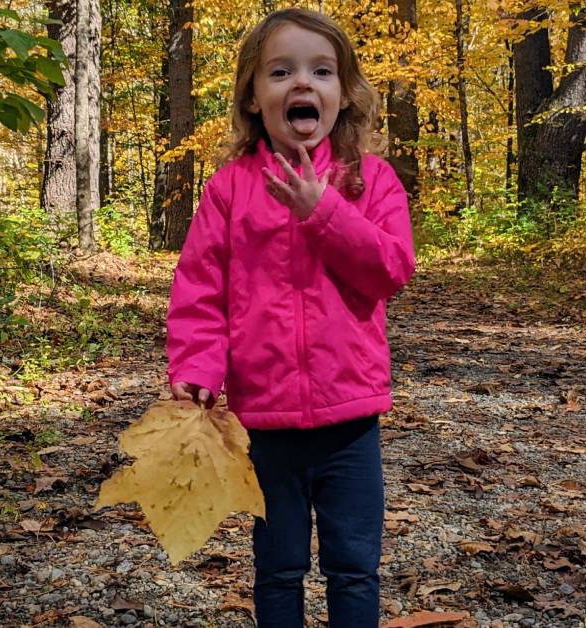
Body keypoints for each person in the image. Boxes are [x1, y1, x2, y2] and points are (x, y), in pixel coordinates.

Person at [165, 7, 415, 627]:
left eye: (321, 71)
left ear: (343, 94)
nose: (302, 83)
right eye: (281, 71)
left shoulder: (370, 181)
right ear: (254, 97)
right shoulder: (229, 188)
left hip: (349, 419)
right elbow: (201, 290)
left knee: (354, 565)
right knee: (277, 568)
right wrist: (198, 366)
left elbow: (391, 269)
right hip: (264, 418)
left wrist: (323, 211)